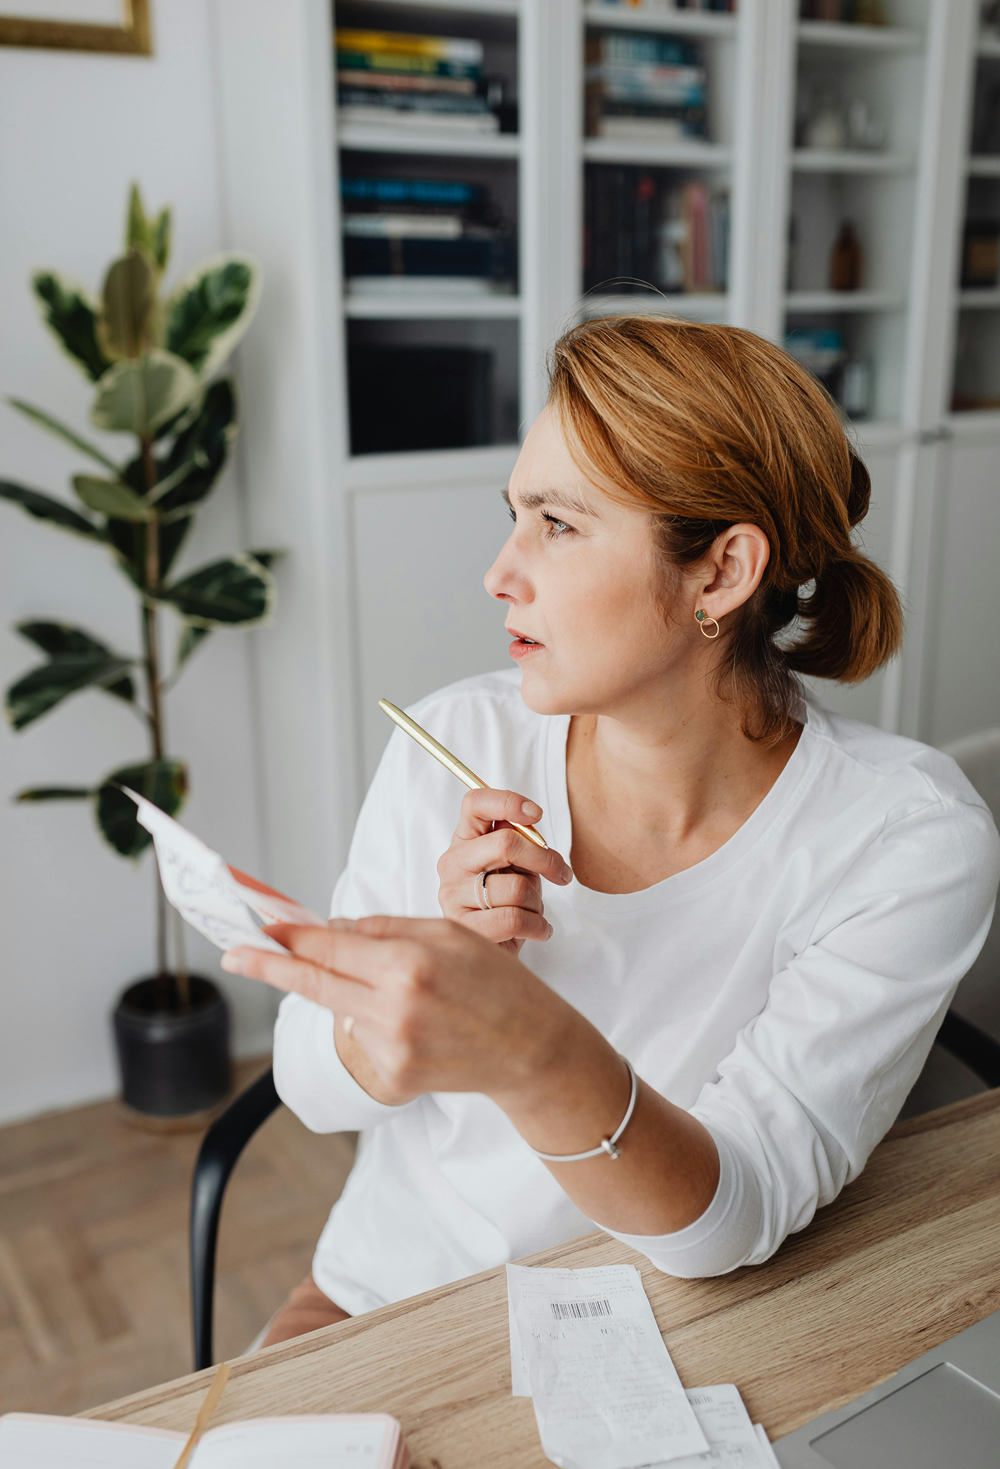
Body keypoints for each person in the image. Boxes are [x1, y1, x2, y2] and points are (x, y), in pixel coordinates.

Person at [222, 317, 1000, 1347]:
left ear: (720, 573)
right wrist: (420, 976)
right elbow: (310, 1088)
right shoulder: (460, 736)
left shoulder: (904, 837)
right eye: (512, 516)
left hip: (672, 1327)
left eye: (558, 522)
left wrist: (529, 1049)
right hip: (389, 1303)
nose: (500, 572)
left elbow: (736, 1215)